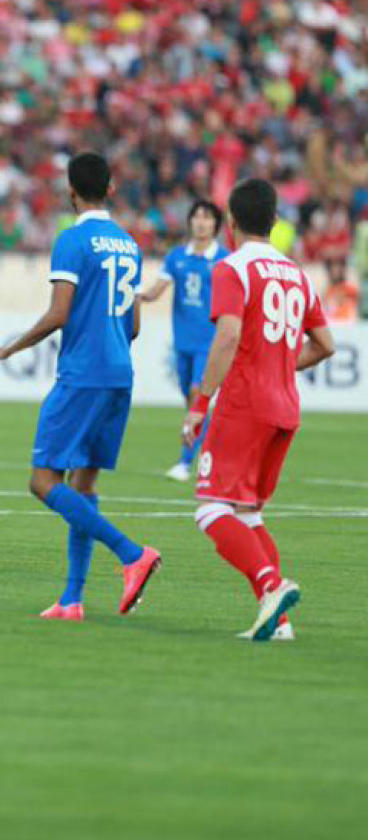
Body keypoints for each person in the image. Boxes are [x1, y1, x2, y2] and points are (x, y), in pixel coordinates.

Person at [0, 153, 161, 621]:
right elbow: (134, 324)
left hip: (83, 374)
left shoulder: (72, 241)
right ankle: (72, 599)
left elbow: (59, 313)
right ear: (111, 190)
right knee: (83, 484)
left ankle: (131, 554)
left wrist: (9, 350)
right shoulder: (129, 245)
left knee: (43, 481)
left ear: (70, 192)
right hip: (119, 373)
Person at [183, 178, 334, 642]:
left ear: (230, 223)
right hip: (285, 406)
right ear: (274, 222)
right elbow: (325, 345)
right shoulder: (295, 272)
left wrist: (199, 404)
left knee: (210, 510)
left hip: (245, 403)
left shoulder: (232, 268)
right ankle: (279, 623)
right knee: (248, 514)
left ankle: (272, 585)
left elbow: (227, 335)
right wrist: (280, 365)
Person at [140, 200, 228, 481]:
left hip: (210, 344)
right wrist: (137, 295)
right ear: (190, 222)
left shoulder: (224, 259)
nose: (201, 222)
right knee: (191, 403)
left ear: (216, 224)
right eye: (197, 217)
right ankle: (214, 450)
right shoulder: (176, 256)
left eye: (207, 217)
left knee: (195, 397)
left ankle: (185, 463)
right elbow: (157, 291)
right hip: (183, 344)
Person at [322, 257, 359, 323]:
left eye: (338, 267)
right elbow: (326, 310)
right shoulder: (328, 290)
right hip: (333, 323)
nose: (336, 271)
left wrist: (341, 300)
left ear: (343, 269)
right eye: (333, 268)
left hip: (347, 323)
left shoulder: (351, 289)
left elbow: (353, 308)